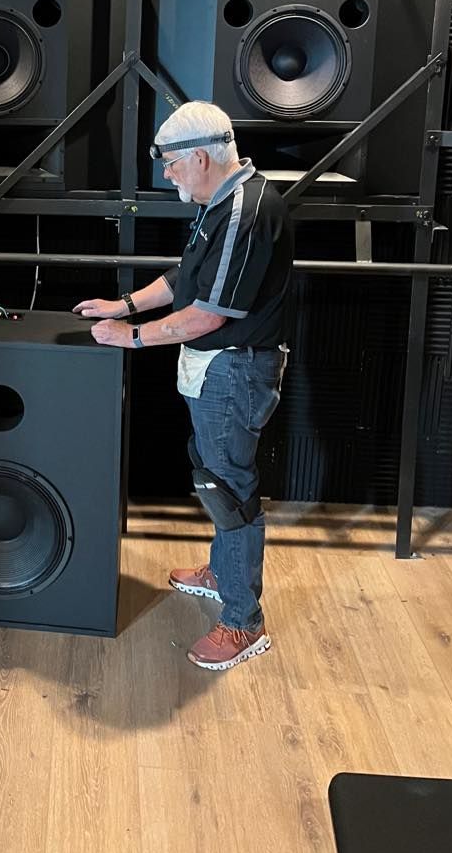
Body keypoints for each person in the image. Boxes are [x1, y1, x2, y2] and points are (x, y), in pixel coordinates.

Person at [73, 100, 293, 671]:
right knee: (215, 474)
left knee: (230, 490)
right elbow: (184, 278)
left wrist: (132, 337)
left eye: (171, 164)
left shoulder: (245, 210)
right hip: (217, 368)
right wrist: (123, 304)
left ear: (200, 158)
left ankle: (243, 622)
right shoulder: (216, 202)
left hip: (234, 369)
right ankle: (222, 573)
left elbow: (208, 315)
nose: (168, 175)